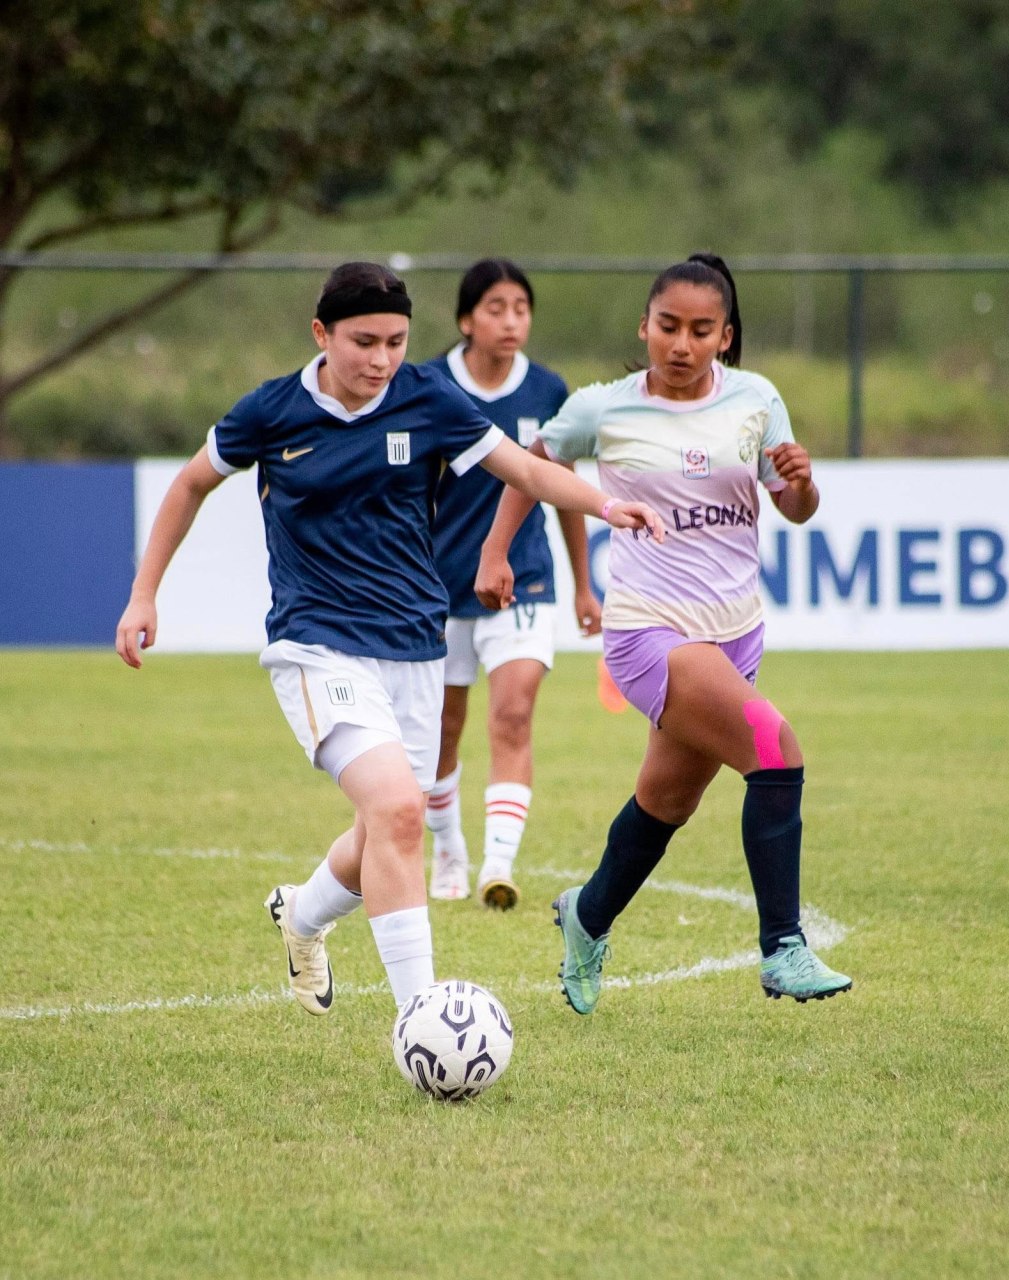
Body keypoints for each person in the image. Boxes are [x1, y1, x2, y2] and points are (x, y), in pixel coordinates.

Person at [114, 261, 663, 1020]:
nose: (379, 360)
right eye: (362, 341)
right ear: (321, 334)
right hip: (314, 646)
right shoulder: (271, 411)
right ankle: (424, 1022)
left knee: (383, 826)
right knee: (402, 813)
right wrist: (145, 594)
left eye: (396, 342)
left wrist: (610, 505)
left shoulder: (429, 397)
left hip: (414, 649)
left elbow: (526, 473)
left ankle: (302, 919)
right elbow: (190, 485)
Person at [476, 253, 853, 1012]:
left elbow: (797, 509)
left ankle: (585, 915)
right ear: (644, 326)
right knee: (775, 750)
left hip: (737, 634)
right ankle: (783, 947)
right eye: (669, 326)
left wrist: (804, 482)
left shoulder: (756, 400)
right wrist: (494, 551)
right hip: (648, 631)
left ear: (726, 336)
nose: (682, 344)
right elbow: (528, 466)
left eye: (701, 330)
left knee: (666, 803)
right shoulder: (602, 408)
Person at [424, 259, 602, 909]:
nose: (510, 320)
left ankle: (497, 866)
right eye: (495, 308)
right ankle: (448, 849)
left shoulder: (549, 393)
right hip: (437, 587)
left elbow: (563, 495)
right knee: (443, 728)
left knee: (514, 713)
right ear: (466, 319)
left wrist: (585, 587)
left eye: (521, 307)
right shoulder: (428, 386)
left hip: (522, 581)